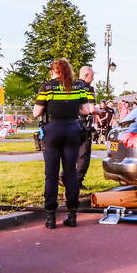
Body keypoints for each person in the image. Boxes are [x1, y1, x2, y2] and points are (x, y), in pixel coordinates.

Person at [33, 58, 95, 229]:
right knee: (71, 174)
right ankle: (72, 215)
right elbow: (85, 110)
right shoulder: (78, 87)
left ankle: (50, 217)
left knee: (51, 175)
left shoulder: (47, 87)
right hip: (73, 130)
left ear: (54, 71)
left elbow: (36, 113)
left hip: (53, 131)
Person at [73, 65, 98, 189]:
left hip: (69, 123)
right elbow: (91, 109)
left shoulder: (70, 85)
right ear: (86, 75)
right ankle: (77, 182)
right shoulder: (88, 88)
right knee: (84, 154)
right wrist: (100, 112)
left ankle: (63, 176)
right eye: (92, 76)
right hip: (83, 125)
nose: (93, 79)